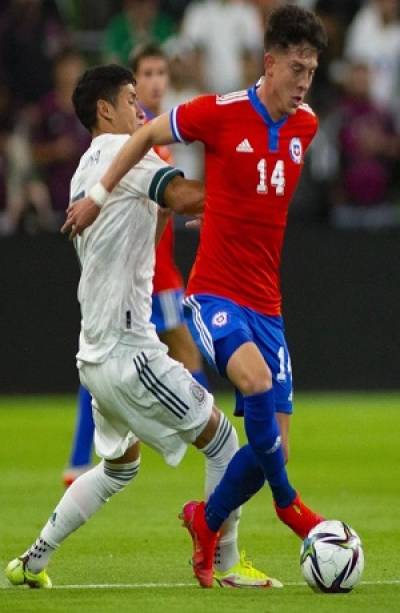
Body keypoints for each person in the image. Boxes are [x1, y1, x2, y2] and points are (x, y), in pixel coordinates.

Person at [60, 4, 329, 589]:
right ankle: (293, 512)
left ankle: (204, 522)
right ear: (270, 62)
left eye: (312, 70)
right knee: (253, 383)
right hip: (214, 294)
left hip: (269, 305)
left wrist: (222, 212)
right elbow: (148, 135)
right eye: (298, 69)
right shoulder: (221, 111)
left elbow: (258, 197)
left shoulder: (306, 124)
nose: (305, 82)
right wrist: (101, 196)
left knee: (269, 449)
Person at [5, 64, 276, 590]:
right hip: (131, 355)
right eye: (131, 99)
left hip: (95, 354)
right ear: (105, 110)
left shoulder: (89, 169)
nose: (142, 110)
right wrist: (251, 193)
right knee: (224, 440)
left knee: (119, 468)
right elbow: (183, 195)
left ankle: (32, 561)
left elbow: (147, 236)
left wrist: (175, 208)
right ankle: (227, 564)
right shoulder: (118, 155)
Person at [62, 43, 208, 488]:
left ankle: (77, 464)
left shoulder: (129, 147)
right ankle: (201, 424)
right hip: (146, 277)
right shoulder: (139, 149)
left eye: (162, 73)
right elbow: (177, 197)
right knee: (180, 358)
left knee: (110, 362)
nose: (154, 83)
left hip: (138, 280)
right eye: (145, 76)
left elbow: (161, 211)